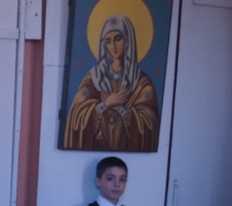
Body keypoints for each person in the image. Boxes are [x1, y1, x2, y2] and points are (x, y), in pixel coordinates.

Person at [63, 13, 160, 151]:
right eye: (108, 41)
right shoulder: (94, 78)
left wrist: (120, 109)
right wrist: (106, 104)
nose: (113, 46)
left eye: (118, 39)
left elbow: (150, 123)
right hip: (94, 149)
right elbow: (78, 116)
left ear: (128, 40)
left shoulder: (141, 82)